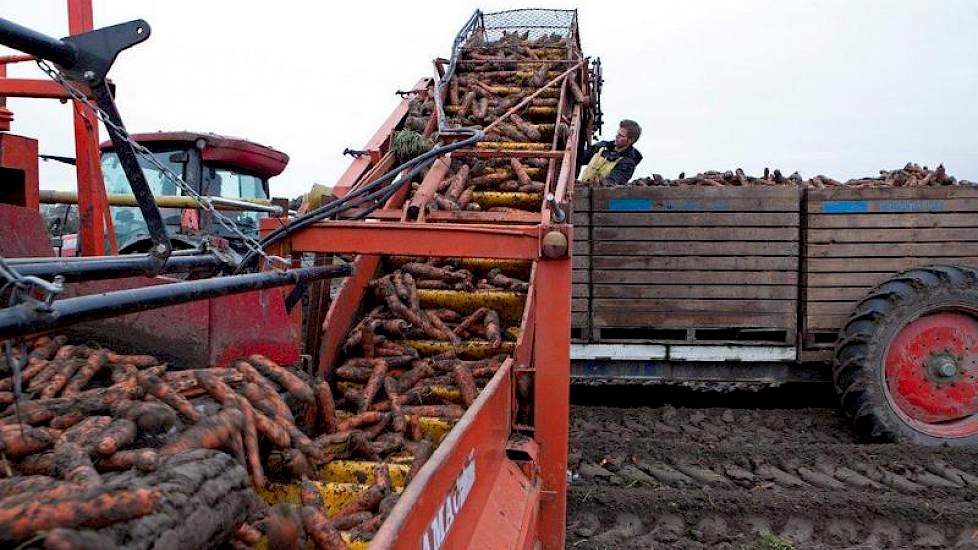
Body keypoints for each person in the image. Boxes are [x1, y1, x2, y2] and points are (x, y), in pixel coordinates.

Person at [579, 119, 643, 186]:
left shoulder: (627, 164)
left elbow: (612, 182)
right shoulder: (602, 146)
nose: (617, 136)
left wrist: (602, 182)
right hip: (582, 187)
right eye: (618, 133)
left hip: (599, 194)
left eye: (621, 136)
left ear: (630, 140)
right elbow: (580, 158)